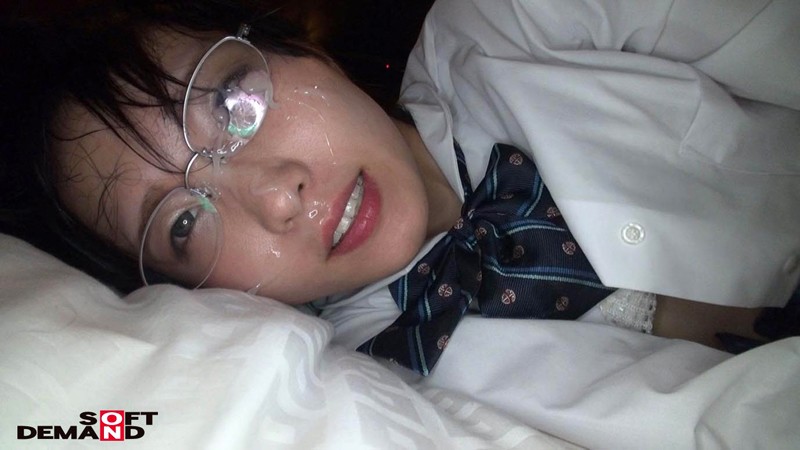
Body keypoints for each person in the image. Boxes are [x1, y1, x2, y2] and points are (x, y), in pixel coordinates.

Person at [1, 0, 797, 374]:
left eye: (231, 103)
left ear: (294, 43)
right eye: (182, 224)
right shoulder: (373, 392)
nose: (276, 196)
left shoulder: (518, 21)